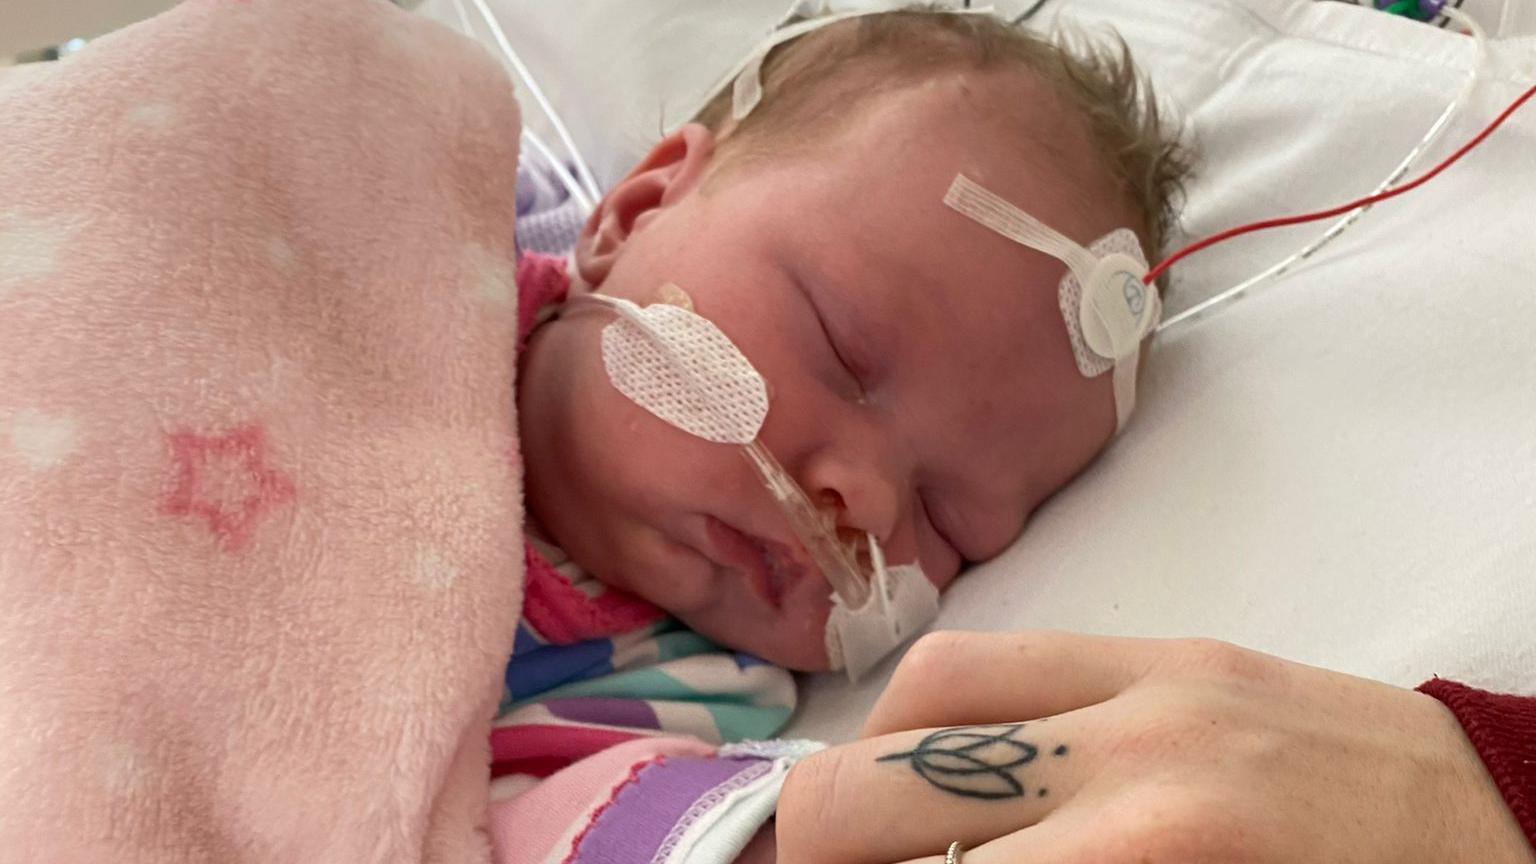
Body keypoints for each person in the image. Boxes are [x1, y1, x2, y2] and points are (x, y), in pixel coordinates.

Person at [489, 9, 1189, 860]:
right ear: (637, 210)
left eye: (946, 521)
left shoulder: (675, 695)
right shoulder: (429, 228)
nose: (869, 499)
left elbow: (570, 829)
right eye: (841, 349)